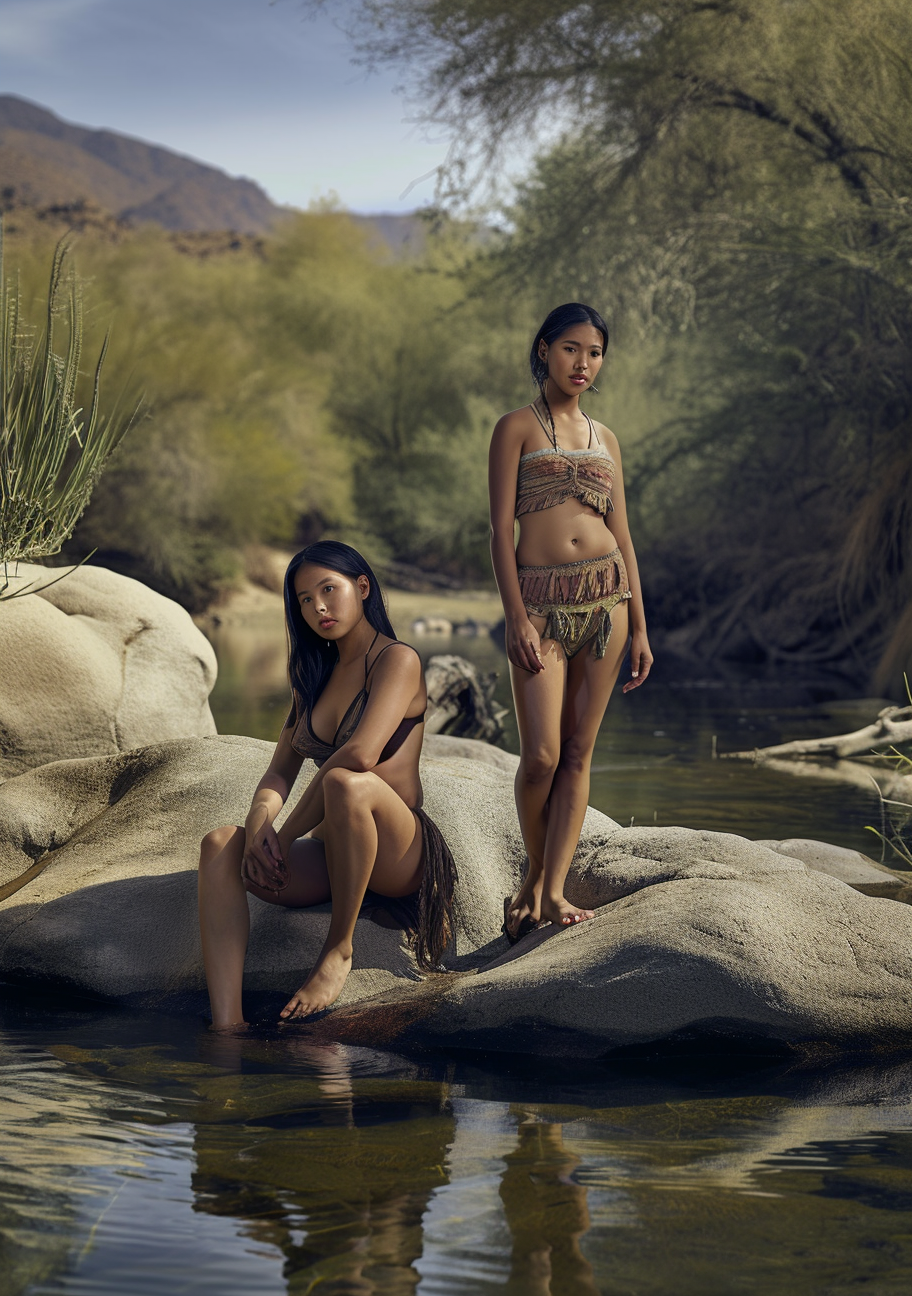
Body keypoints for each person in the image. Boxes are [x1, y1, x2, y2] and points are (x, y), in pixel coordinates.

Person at [198, 541, 457, 1029]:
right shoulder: (311, 676)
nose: (318, 606)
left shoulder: (397, 660)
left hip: (400, 855)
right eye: (304, 599)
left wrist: (287, 834)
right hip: (337, 856)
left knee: (346, 781)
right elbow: (280, 770)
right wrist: (259, 825)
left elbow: (360, 755)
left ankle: (338, 950)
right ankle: (227, 1027)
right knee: (219, 846)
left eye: (328, 590)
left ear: (362, 588)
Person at [488, 302, 653, 943]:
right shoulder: (516, 428)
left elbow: (623, 534)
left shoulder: (606, 438)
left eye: (594, 352)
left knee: (580, 752)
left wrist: (639, 624)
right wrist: (515, 618)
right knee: (541, 758)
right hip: (540, 603)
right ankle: (535, 874)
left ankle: (551, 891)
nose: (582, 364)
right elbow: (501, 530)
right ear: (544, 350)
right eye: (570, 350)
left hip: (607, 600)